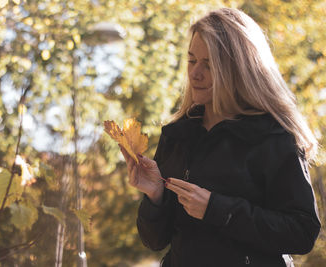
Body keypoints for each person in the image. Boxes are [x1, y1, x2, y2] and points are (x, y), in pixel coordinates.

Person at [119, 7, 321, 267]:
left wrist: (217, 210)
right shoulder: (178, 134)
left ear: (239, 69)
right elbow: (155, 241)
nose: (195, 74)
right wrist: (155, 196)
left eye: (209, 65)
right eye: (192, 61)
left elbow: (302, 232)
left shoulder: (273, 136)